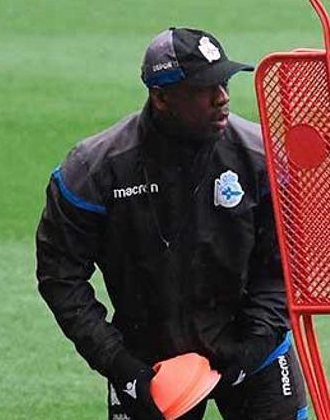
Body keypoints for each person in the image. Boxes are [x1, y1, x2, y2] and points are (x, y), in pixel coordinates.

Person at [35, 27, 308, 420]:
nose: (223, 97)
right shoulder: (93, 172)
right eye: (204, 88)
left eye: (225, 81)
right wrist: (120, 365)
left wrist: (255, 344)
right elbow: (61, 276)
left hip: (254, 350)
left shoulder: (260, 159)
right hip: (150, 365)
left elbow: (287, 263)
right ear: (161, 97)